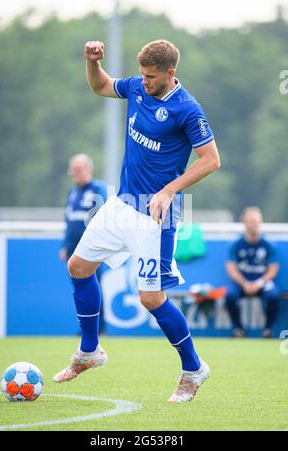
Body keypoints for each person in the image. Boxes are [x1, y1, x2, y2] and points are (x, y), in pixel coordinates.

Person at [53, 39, 221, 403]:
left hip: (155, 215)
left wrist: (168, 191)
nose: (143, 81)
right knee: (78, 267)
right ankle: (90, 351)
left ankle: (193, 369)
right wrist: (91, 62)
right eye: (141, 74)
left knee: (151, 298)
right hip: (121, 203)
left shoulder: (187, 110)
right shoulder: (136, 88)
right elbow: (100, 85)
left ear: (170, 74)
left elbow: (211, 159)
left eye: (150, 76)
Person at [60, 153, 107, 333]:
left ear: (88, 169)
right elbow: (68, 220)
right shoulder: (72, 192)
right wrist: (65, 244)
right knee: (79, 289)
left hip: (91, 248)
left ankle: (98, 329)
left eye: (77, 169)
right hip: (73, 249)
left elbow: (102, 217)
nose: (74, 173)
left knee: (93, 287)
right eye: (72, 170)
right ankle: (87, 329)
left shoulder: (98, 188)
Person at [225, 207, 280, 338]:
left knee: (273, 295)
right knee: (230, 296)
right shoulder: (236, 244)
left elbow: (273, 269)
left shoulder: (268, 244)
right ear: (244, 223)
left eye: (256, 221)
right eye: (250, 221)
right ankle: (238, 328)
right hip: (242, 282)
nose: (254, 224)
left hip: (262, 282)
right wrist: (244, 283)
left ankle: (268, 329)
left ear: (260, 223)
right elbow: (231, 268)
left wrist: (259, 283)